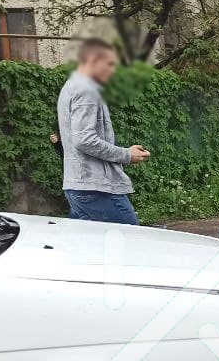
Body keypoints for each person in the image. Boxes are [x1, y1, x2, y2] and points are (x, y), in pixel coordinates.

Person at [57, 38, 150, 224]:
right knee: (133, 242)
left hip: (82, 186)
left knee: (85, 250)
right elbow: (84, 139)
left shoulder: (73, 85)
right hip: (96, 189)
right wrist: (126, 154)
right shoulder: (87, 89)